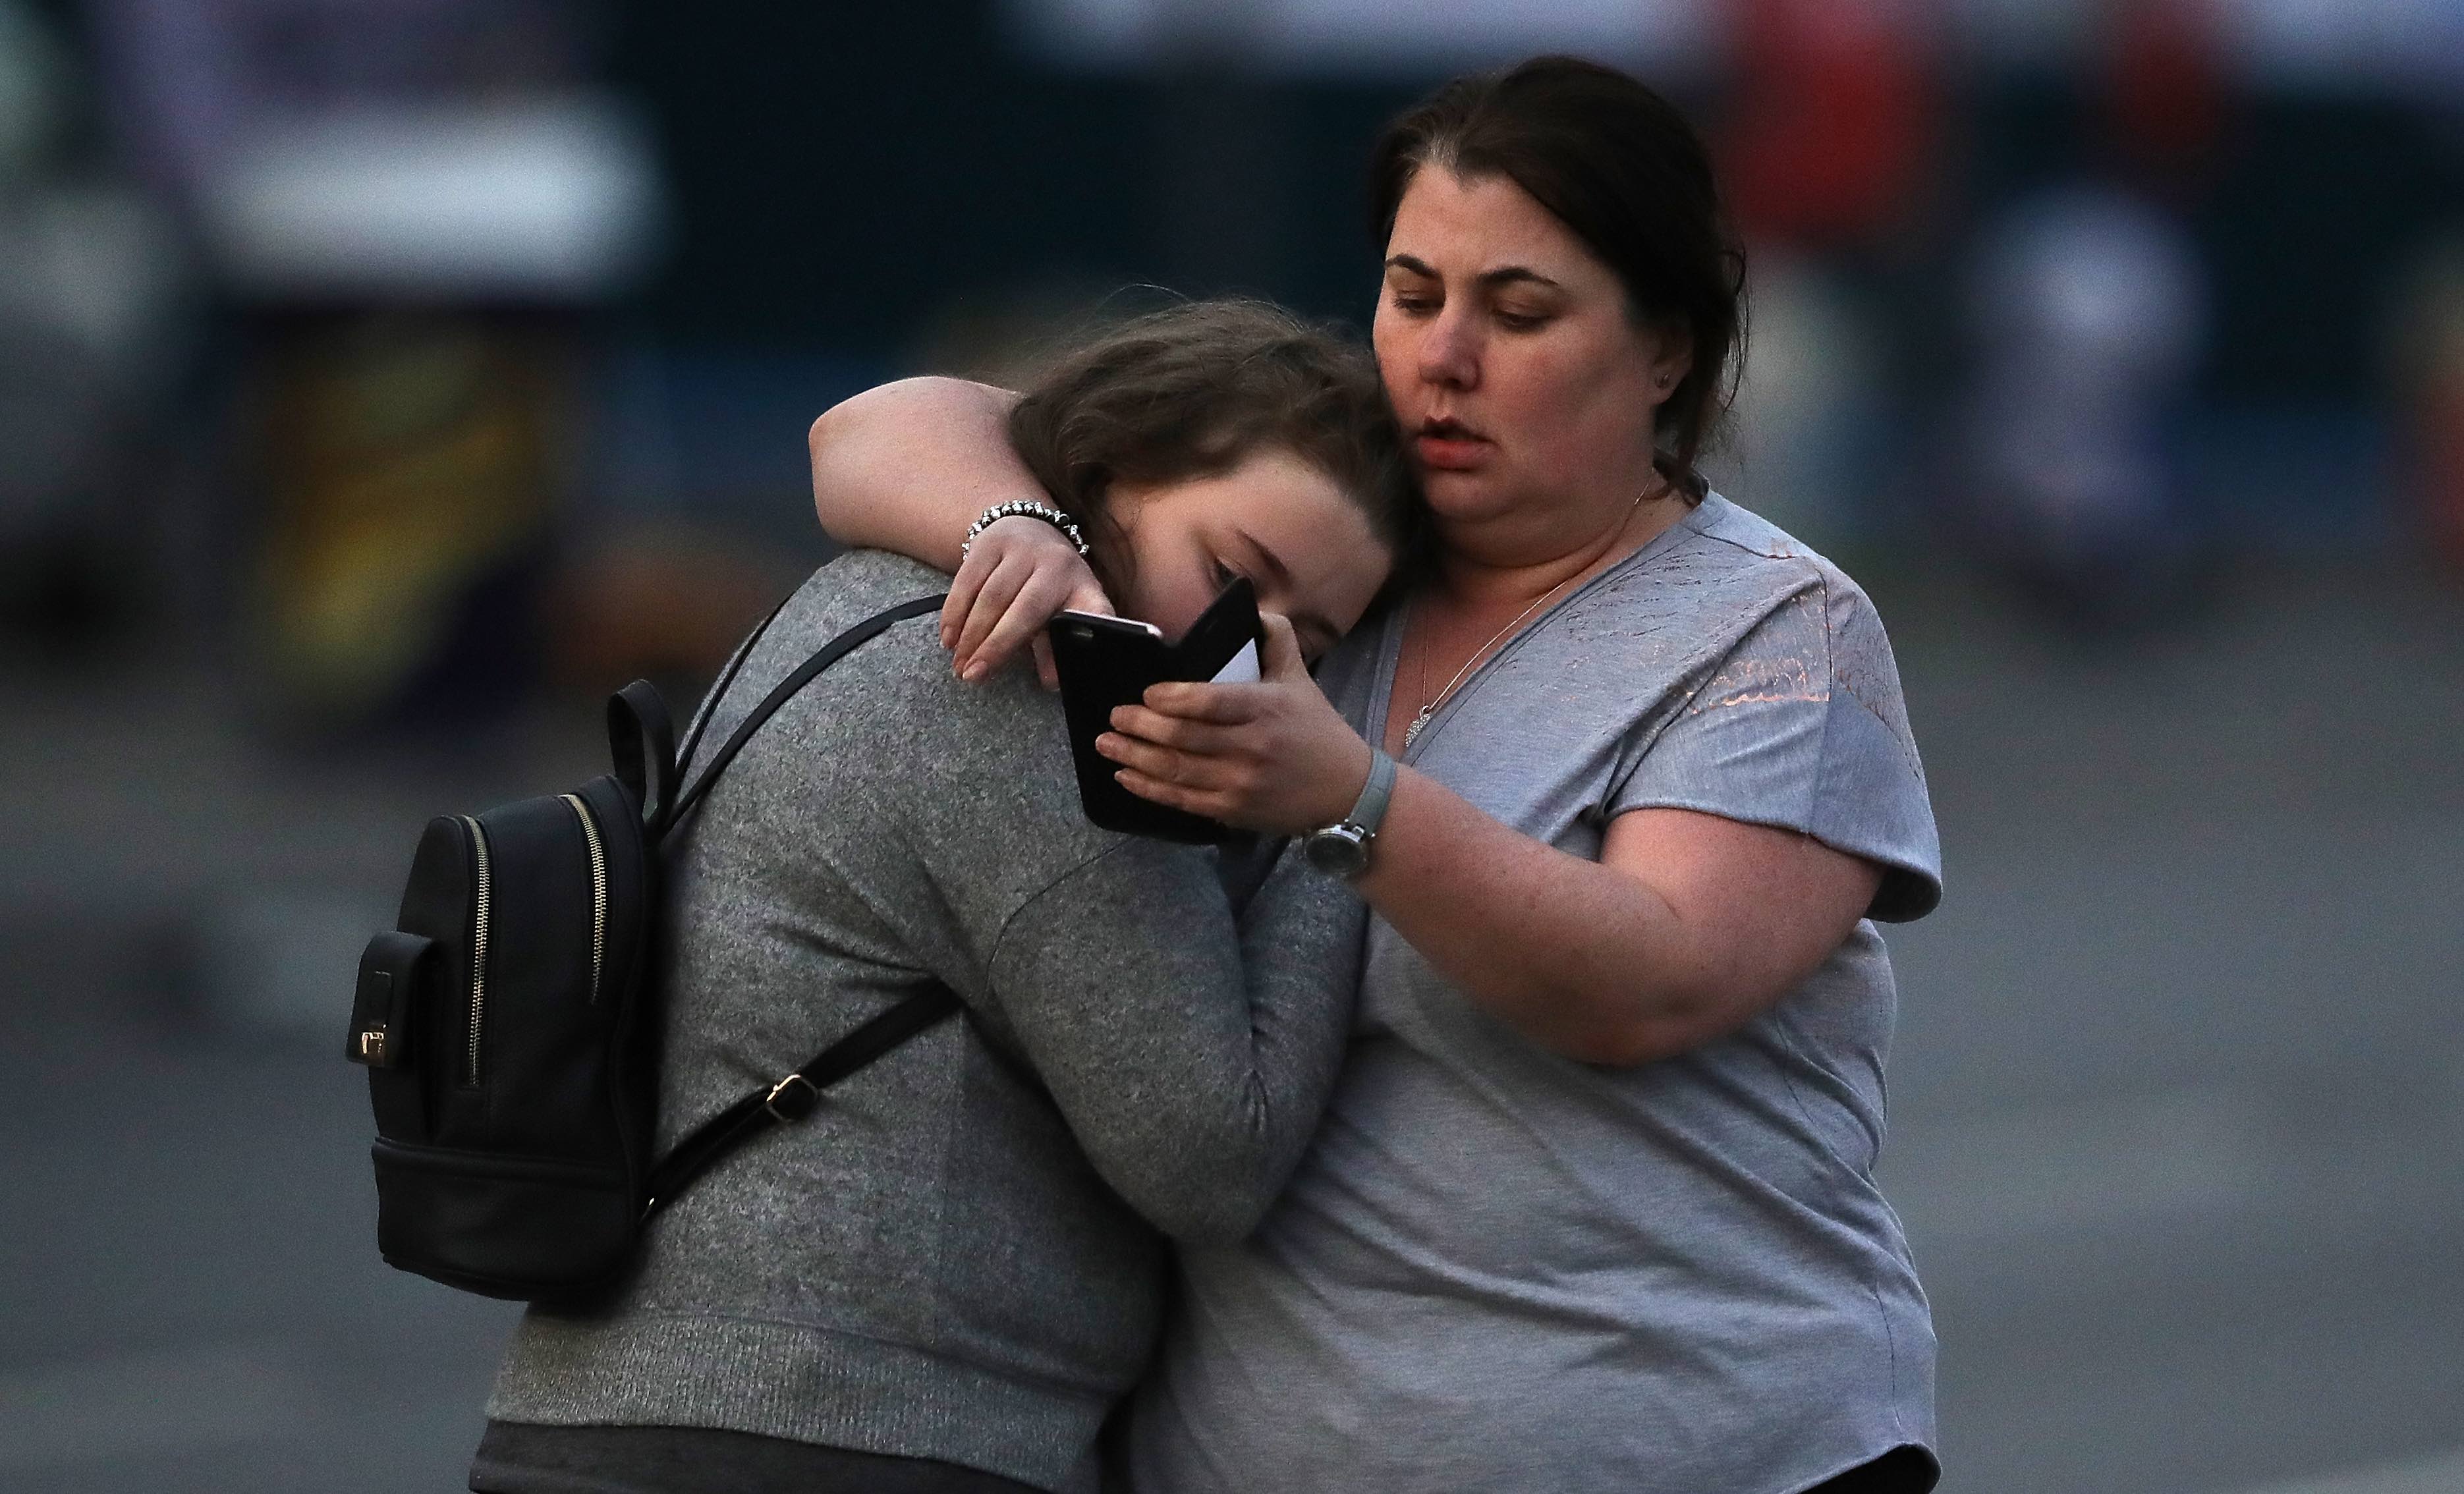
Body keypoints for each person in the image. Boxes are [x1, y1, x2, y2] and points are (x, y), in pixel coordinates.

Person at [808, 57, 1945, 1494]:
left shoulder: (1781, 629)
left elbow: (1649, 984)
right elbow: (872, 428)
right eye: (1412, 296)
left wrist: (1352, 798)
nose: (1441, 358)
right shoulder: (1330, 549)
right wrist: (1019, 518)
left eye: (1518, 311)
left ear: (1665, 348)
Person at [468, 300, 1418, 1494]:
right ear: (1111, 475)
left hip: (634, 1406)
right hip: (831, 1431)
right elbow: (1210, 1156)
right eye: (1229, 577)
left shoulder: (863, 592)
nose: (1245, 660)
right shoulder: (1040, 707)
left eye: (1314, 646)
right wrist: (1355, 790)